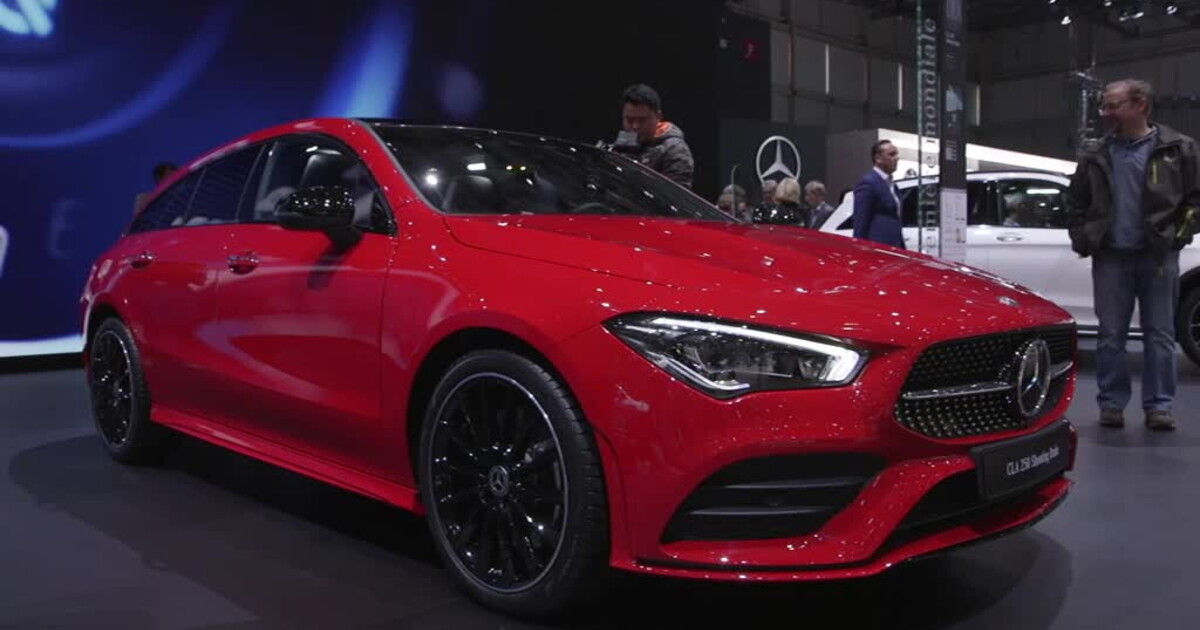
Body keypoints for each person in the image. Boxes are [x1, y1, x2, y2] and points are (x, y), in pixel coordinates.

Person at [1066, 78, 1200, 431]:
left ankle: (1159, 407)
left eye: (1113, 105)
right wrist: (1083, 237)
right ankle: (1111, 404)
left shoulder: (1178, 148)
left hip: (1158, 257)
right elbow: (1075, 201)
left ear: (1140, 105)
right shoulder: (1097, 154)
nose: (1105, 113)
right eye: (1104, 106)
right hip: (1111, 257)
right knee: (1111, 335)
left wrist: (1176, 237)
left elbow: (1195, 200)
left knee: (1160, 335)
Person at [611, 83, 694, 188]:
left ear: (658, 117)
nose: (635, 126)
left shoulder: (674, 149)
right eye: (629, 120)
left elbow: (675, 194)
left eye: (642, 120)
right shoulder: (625, 140)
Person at [851, 140, 904, 248]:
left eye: (896, 154)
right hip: (877, 247)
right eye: (891, 154)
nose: (897, 158)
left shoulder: (893, 186)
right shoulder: (868, 183)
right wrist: (860, 248)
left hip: (894, 247)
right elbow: (861, 221)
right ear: (878, 158)